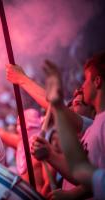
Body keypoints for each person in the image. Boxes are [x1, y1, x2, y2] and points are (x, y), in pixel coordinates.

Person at [6, 62, 95, 199]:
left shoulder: (97, 126)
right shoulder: (79, 140)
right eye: (69, 107)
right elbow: (80, 175)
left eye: (77, 103)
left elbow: (95, 182)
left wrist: (22, 79)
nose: (81, 87)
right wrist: (50, 154)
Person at [43, 52, 105, 199]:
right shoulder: (96, 124)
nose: (82, 86)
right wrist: (57, 105)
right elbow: (80, 170)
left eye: (85, 80)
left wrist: (71, 196)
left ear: (97, 81)